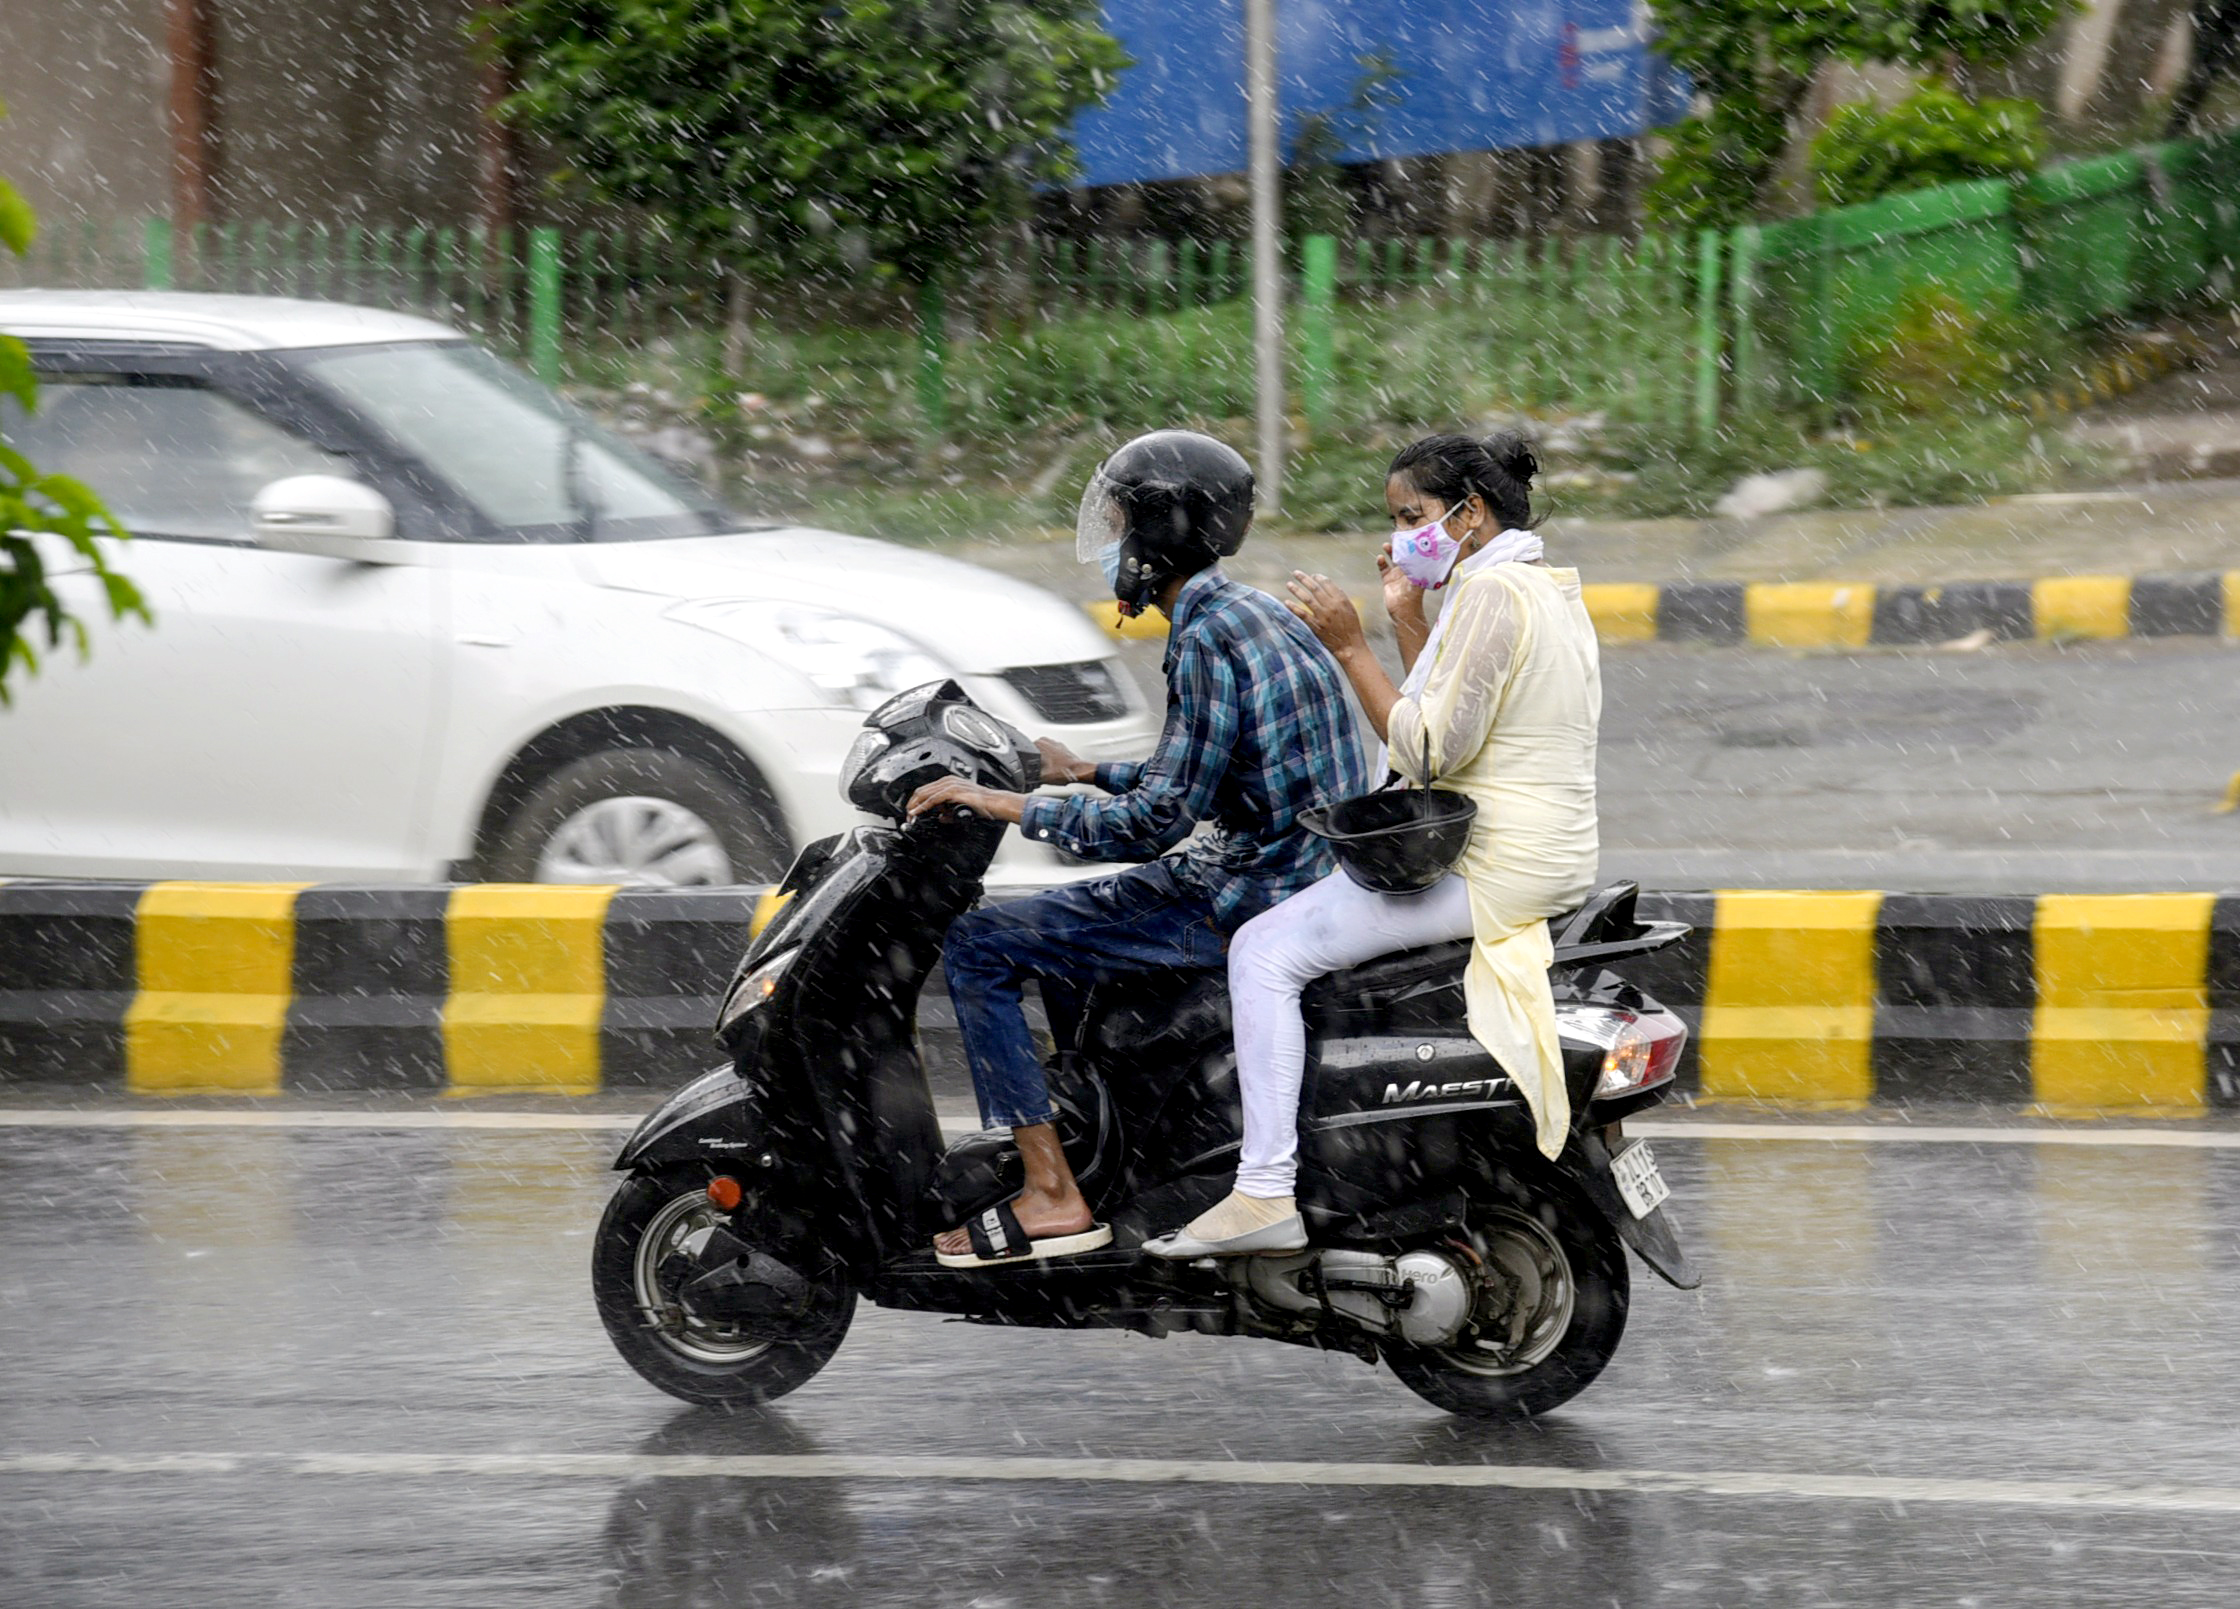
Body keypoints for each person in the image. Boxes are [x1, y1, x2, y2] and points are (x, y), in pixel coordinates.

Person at [906, 429, 1370, 1268]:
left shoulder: (1204, 639)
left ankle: (1052, 1191)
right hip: (1298, 871)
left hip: (1246, 888)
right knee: (1063, 939)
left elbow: (1157, 824)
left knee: (981, 943)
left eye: (1122, 523)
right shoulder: (1249, 610)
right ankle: (1107, 1137)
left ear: (1159, 533)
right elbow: (1204, 771)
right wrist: (1086, 767)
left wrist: (1009, 804)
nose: (1114, 544)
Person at [1146, 431, 1601, 1259]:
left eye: (1413, 516)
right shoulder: (1532, 585)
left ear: (1470, 514)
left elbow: (1428, 750)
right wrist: (1403, 619)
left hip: (1495, 862)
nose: (1399, 538)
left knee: (1259, 952)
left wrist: (1349, 644)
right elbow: (1459, 704)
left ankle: (1262, 1192)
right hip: (1539, 851)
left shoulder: (1495, 594)